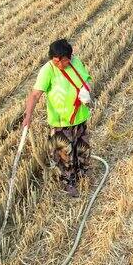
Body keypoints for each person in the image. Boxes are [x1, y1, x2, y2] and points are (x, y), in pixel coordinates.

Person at [23, 39, 93, 197]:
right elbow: (35, 94)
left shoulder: (76, 63)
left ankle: (83, 175)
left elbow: (85, 81)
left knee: (82, 150)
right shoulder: (48, 70)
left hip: (79, 118)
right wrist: (28, 116)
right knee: (64, 156)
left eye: (62, 61)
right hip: (60, 122)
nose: (59, 65)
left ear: (69, 57)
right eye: (55, 61)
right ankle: (69, 183)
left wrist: (85, 91)